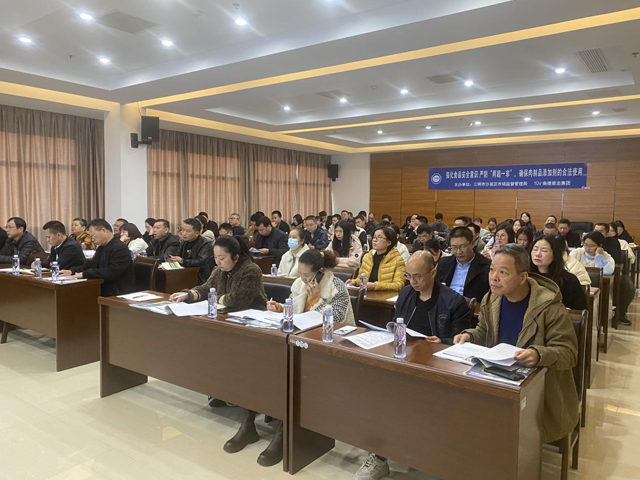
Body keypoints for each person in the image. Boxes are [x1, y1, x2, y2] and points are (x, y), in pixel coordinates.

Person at [354, 250, 469, 480]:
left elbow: (460, 342)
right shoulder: (406, 293)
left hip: (436, 367)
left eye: (418, 276)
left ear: (433, 272)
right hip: (404, 360)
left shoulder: (453, 301)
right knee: (376, 393)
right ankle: (379, 455)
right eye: (409, 276)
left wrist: (443, 341)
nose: (413, 281)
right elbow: (397, 324)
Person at [454, 244, 579, 445]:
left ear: (523, 277)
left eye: (503, 272)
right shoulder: (492, 298)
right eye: (492, 269)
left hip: (539, 393)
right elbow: (484, 331)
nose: (493, 277)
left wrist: (538, 355)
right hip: (497, 380)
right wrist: (469, 336)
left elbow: (568, 353)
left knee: (504, 435)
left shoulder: (550, 307)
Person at [169, 236, 274, 465]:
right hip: (227, 323)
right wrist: (188, 294)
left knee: (242, 364)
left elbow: (239, 299)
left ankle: (248, 416)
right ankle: (226, 393)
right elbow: (207, 288)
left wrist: (214, 298)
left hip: (253, 327)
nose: (218, 262)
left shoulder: (251, 270)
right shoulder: (219, 270)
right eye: (215, 257)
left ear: (235, 257)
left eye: (222, 258)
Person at [268, 250, 355, 325]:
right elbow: (293, 307)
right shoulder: (299, 284)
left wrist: (316, 300)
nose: (302, 278)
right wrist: (281, 308)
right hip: (303, 328)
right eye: (300, 273)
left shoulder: (336, 287)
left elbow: (337, 318)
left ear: (319, 272)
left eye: (306, 275)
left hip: (331, 333)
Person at [63, 219, 135, 296]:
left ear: (103, 231)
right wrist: (72, 271)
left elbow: (111, 272)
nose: (92, 239)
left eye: (93, 235)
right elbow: (91, 264)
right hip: (103, 286)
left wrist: (84, 274)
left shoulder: (120, 248)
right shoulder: (102, 246)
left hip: (118, 290)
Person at [530, 235, 587, 310]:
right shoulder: (525, 277)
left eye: (544, 251)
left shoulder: (568, 280)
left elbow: (578, 312)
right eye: (535, 249)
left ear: (555, 254)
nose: (537, 254)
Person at [436, 226, 491, 302]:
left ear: (472, 243)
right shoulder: (444, 263)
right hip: (445, 304)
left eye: (463, 247)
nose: (459, 252)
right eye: (454, 247)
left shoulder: (486, 265)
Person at [346, 226, 405, 291]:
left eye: (379, 237)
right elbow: (361, 279)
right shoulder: (367, 257)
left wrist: (375, 286)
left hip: (385, 295)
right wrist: (354, 282)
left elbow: (399, 285)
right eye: (374, 237)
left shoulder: (397, 260)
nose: (374, 240)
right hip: (367, 293)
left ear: (389, 242)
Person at [167, 218, 214, 284]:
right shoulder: (184, 242)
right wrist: (173, 259)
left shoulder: (205, 244)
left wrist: (182, 260)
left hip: (201, 277)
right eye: (183, 230)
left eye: (187, 231)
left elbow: (201, 261)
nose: (183, 233)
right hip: (185, 274)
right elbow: (178, 255)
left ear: (197, 233)